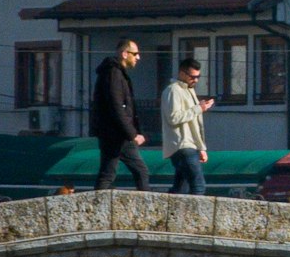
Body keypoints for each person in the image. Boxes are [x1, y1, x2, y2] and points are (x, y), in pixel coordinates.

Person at [91, 38, 150, 191]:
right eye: (135, 54)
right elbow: (116, 107)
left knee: (108, 173)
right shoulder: (114, 74)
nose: (138, 57)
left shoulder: (115, 73)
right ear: (125, 54)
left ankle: (98, 206)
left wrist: (134, 131)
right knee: (140, 171)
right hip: (117, 135)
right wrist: (132, 134)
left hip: (114, 134)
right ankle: (146, 208)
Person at [161, 56, 213, 195]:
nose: (195, 80)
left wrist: (201, 148)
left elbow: (195, 125)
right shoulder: (173, 91)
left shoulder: (189, 91)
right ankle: (196, 216)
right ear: (182, 73)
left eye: (198, 77)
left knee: (180, 189)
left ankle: (171, 213)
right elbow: (174, 117)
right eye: (192, 77)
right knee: (198, 186)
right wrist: (198, 108)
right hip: (181, 145)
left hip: (189, 145)